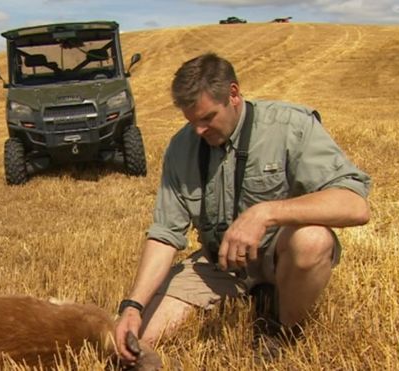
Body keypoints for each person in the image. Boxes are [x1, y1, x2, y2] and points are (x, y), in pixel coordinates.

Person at [115, 52, 371, 363]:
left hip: (280, 259)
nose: (198, 130)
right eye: (191, 121)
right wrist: (133, 305)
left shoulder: (291, 126)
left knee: (313, 240)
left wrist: (265, 213)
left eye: (207, 118)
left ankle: (285, 334)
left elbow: (355, 205)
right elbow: (164, 235)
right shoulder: (181, 147)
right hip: (217, 264)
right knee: (137, 339)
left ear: (233, 95)